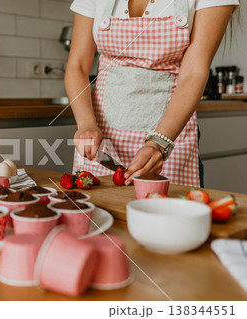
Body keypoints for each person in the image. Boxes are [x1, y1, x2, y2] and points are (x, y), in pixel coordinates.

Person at [66, 0, 239, 187]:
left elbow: (194, 71)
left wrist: (159, 143)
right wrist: (86, 124)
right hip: (100, 138)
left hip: (169, 135)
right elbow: (78, 65)